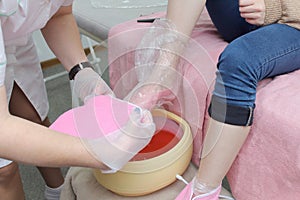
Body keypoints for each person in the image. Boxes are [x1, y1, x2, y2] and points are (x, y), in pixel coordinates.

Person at [127, 0, 300, 199]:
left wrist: (278, 7)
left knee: (238, 61)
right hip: (250, 9)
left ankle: (203, 190)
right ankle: (161, 76)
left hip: (292, 22)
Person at [0, 1, 155, 200]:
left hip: (12, 35)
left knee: (32, 112)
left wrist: (81, 71)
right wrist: (98, 153)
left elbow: (58, 15)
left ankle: (57, 190)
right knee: (4, 171)